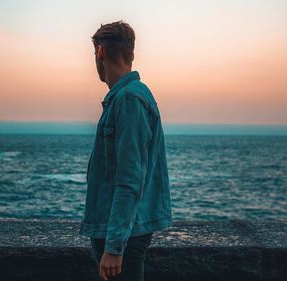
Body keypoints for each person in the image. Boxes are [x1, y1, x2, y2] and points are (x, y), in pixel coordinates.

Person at [79, 20, 172, 281]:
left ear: (100, 52)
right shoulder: (126, 98)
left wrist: (114, 246)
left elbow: (130, 178)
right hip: (121, 229)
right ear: (131, 54)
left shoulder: (130, 99)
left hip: (123, 234)